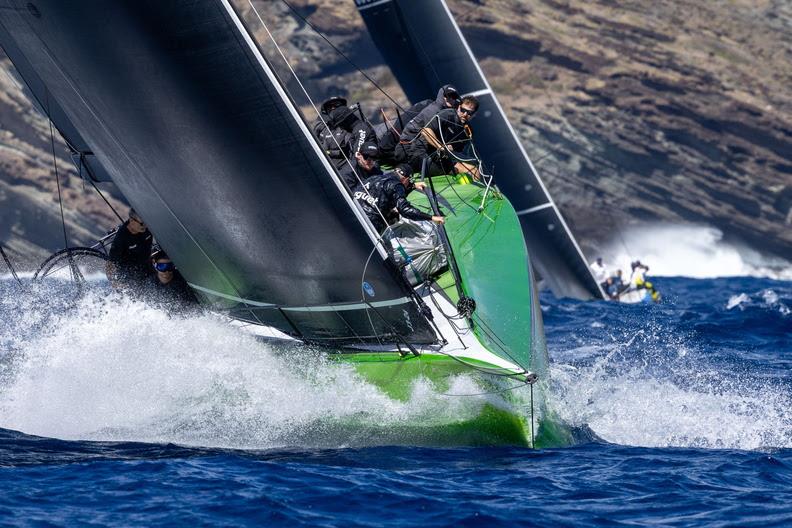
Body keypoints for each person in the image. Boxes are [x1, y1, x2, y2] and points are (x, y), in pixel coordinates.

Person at [396, 95, 480, 178]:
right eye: (463, 110)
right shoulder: (447, 115)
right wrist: (441, 147)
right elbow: (425, 131)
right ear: (458, 107)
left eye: (469, 113)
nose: (465, 114)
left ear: (474, 114)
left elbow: (456, 152)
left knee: (474, 170)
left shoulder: (468, 131)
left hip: (441, 160)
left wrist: (452, 152)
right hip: (422, 154)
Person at [378, 85, 461, 164]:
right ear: (441, 96)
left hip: (410, 146)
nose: (450, 99)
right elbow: (409, 125)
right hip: (399, 143)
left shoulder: (445, 115)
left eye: (453, 97)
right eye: (447, 95)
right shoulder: (432, 109)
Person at [353, 163, 445, 233]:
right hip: (370, 223)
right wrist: (432, 217)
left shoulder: (374, 178)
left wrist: (412, 186)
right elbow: (405, 209)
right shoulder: (396, 185)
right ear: (406, 179)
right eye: (409, 182)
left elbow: (388, 192)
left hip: (354, 213)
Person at [313, 97, 376, 168]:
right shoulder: (321, 128)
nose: (333, 109)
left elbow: (355, 156)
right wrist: (328, 153)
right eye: (329, 107)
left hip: (350, 170)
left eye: (337, 105)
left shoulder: (360, 130)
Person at [106, 208, 153, 289]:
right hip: (130, 275)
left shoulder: (147, 228)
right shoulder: (121, 238)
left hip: (148, 268)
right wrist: (114, 283)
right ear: (131, 220)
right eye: (142, 223)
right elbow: (110, 264)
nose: (145, 226)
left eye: (146, 222)